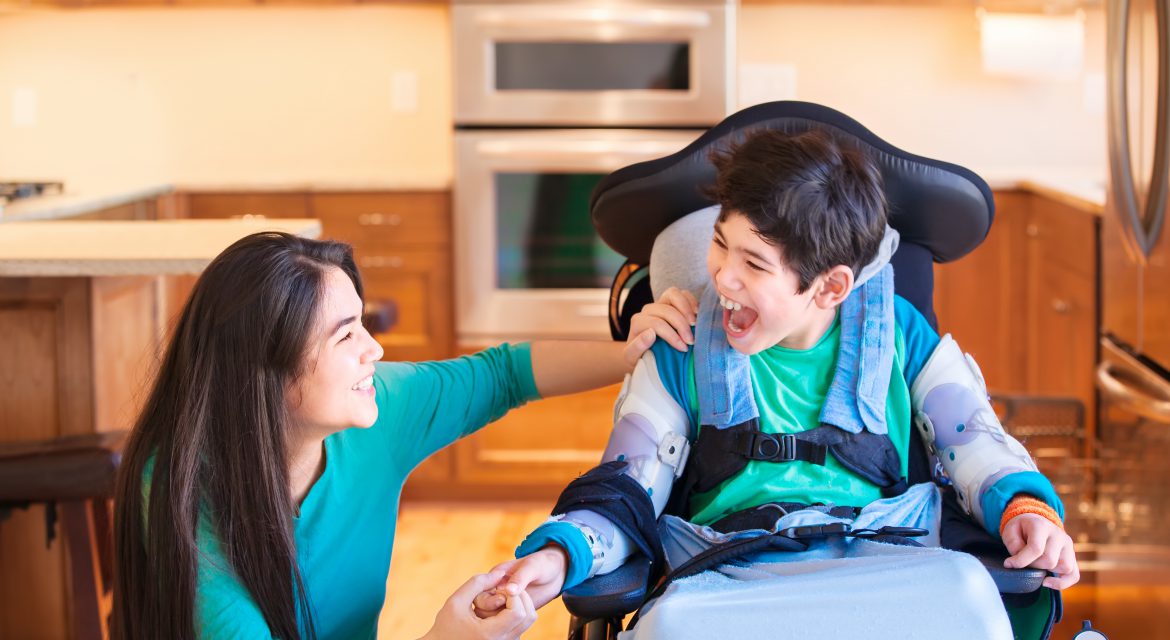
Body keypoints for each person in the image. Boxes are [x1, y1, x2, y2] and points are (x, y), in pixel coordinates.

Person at [476, 129, 1080, 638]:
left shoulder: (899, 336)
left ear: (831, 287)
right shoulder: (684, 342)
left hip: (892, 570)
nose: (724, 277)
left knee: (971, 596)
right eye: (720, 244)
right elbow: (626, 484)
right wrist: (560, 555)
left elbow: (974, 443)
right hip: (729, 577)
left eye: (754, 264)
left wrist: (1026, 510)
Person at [110, 231, 667, 640]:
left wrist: (635, 354)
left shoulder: (375, 412)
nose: (373, 350)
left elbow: (506, 374)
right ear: (264, 372)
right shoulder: (182, 490)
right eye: (345, 335)